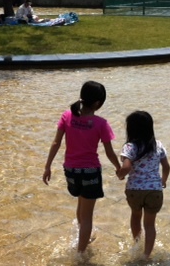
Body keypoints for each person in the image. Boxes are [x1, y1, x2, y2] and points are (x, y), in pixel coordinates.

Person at [42, 81, 121, 254]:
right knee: (87, 217)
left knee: (80, 204)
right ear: (98, 104)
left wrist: (47, 166)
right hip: (90, 172)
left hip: (70, 171)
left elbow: (56, 142)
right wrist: (118, 168)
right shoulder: (101, 123)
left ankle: (81, 237)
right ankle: (80, 253)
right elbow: (109, 152)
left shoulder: (67, 116)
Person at [117, 111, 170, 259]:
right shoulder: (158, 145)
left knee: (135, 216)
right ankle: (146, 254)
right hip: (154, 190)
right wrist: (163, 180)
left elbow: (126, 167)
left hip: (134, 190)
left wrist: (120, 174)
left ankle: (137, 243)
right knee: (150, 224)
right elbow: (166, 166)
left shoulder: (130, 147)